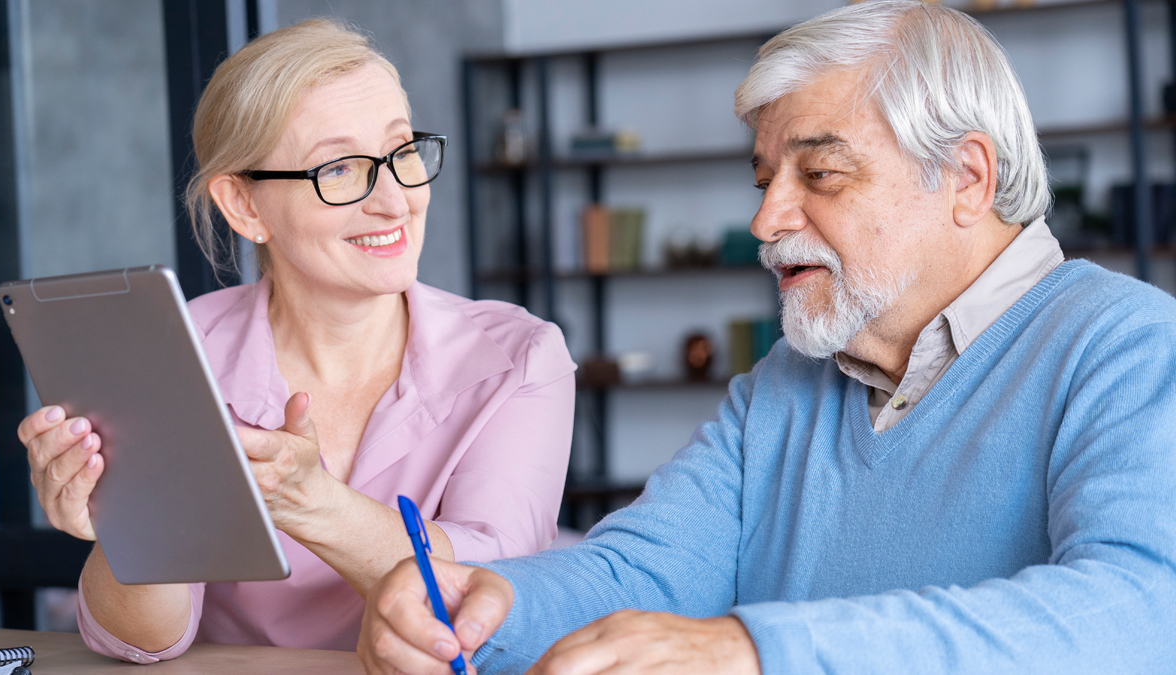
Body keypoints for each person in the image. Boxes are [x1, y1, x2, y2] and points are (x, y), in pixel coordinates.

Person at [359, 2, 1176, 674]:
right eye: (765, 180)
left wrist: (759, 648)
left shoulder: (1126, 345)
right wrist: (490, 605)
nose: (765, 220)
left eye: (819, 175)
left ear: (966, 178)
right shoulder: (786, 382)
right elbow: (644, 573)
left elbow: (1141, 616)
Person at [16, 18, 576, 663]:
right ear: (244, 207)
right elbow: (143, 642)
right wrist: (131, 530)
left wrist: (314, 506)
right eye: (339, 169)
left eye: (402, 152)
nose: (395, 201)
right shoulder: (180, 353)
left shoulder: (519, 358)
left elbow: (495, 606)